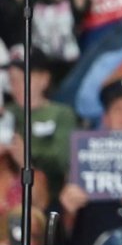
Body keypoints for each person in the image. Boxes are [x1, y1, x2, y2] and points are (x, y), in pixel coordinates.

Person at [61, 76, 122, 245]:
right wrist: (69, 212)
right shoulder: (83, 163)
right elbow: (66, 239)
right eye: (118, 109)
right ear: (106, 119)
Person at [5, 45, 77, 203]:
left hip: (50, 197)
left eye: (24, 78)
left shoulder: (61, 114)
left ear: (44, 78)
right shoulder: (5, 113)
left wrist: (26, 154)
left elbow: (63, 160)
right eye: (12, 79)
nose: (16, 84)